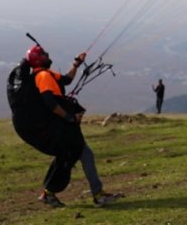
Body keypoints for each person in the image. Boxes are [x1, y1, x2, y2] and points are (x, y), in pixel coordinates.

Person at [26, 44, 124, 208]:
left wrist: (76, 65)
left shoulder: (47, 74)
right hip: (61, 126)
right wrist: (69, 117)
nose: (47, 56)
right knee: (78, 155)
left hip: (62, 126)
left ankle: (50, 193)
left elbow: (67, 80)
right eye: (44, 55)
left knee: (74, 155)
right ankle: (97, 195)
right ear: (39, 59)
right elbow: (50, 103)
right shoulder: (43, 76)